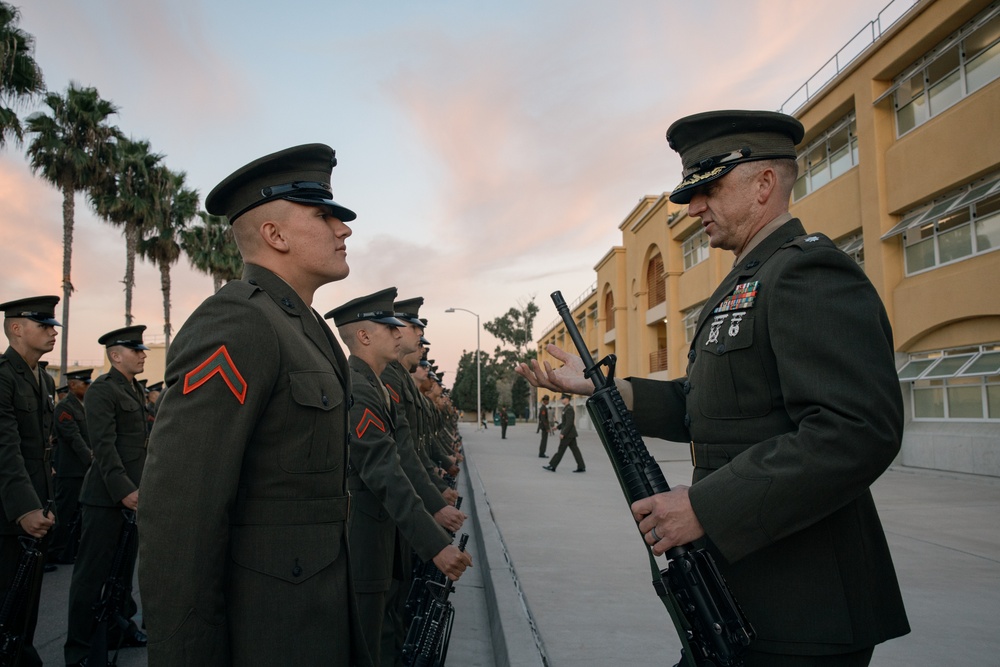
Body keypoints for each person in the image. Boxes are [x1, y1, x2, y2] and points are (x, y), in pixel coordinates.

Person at [517, 110, 909, 666]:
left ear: (765, 184)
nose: (694, 208)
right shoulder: (748, 279)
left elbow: (855, 430)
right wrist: (608, 389)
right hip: (742, 590)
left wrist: (706, 506)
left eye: (709, 189)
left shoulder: (807, 272)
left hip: (804, 604)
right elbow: (707, 406)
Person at [139, 144, 372, 666]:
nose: (344, 229)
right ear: (275, 234)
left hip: (316, 612)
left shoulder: (305, 327)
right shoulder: (239, 322)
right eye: (324, 215)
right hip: (266, 629)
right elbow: (181, 509)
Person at [328, 288, 471, 665]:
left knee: (389, 629)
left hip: (385, 531)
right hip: (363, 537)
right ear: (363, 336)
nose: (400, 334)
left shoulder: (376, 384)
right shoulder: (360, 386)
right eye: (388, 327)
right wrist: (434, 540)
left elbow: (404, 453)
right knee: (371, 642)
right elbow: (385, 467)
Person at [64, 326, 150, 666]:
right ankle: (80, 650)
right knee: (91, 577)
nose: (143, 354)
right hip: (106, 497)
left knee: (121, 572)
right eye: (136, 349)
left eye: (143, 349)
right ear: (116, 355)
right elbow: (104, 446)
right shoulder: (102, 390)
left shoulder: (133, 389)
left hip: (132, 494)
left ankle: (118, 628)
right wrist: (124, 490)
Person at [0, 295, 59, 666]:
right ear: (16, 328)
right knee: (8, 604)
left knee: (27, 606)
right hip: (11, 513)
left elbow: (43, 450)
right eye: (44, 325)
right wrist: (25, 508)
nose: (52, 332)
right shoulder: (3, 377)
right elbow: (5, 449)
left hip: (37, 507)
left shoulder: (43, 379)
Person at [50, 367, 93, 564]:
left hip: (82, 469)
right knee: (65, 512)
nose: (87, 386)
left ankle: (70, 550)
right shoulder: (65, 407)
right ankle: (55, 551)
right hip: (70, 469)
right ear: (72, 385)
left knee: (78, 512)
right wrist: (91, 458)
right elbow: (73, 437)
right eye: (85, 383)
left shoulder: (84, 405)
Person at [542, 394, 584, 473]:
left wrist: (563, 433)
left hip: (568, 434)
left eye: (563, 398)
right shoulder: (566, 408)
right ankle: (581, 466)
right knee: (575, 450)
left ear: (567, 399)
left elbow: (569, 423)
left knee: (560, 450)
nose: (562, 400)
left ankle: (552, 466)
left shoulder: (569, 409)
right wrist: (557, 427)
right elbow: (565, 422)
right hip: (571, 434)